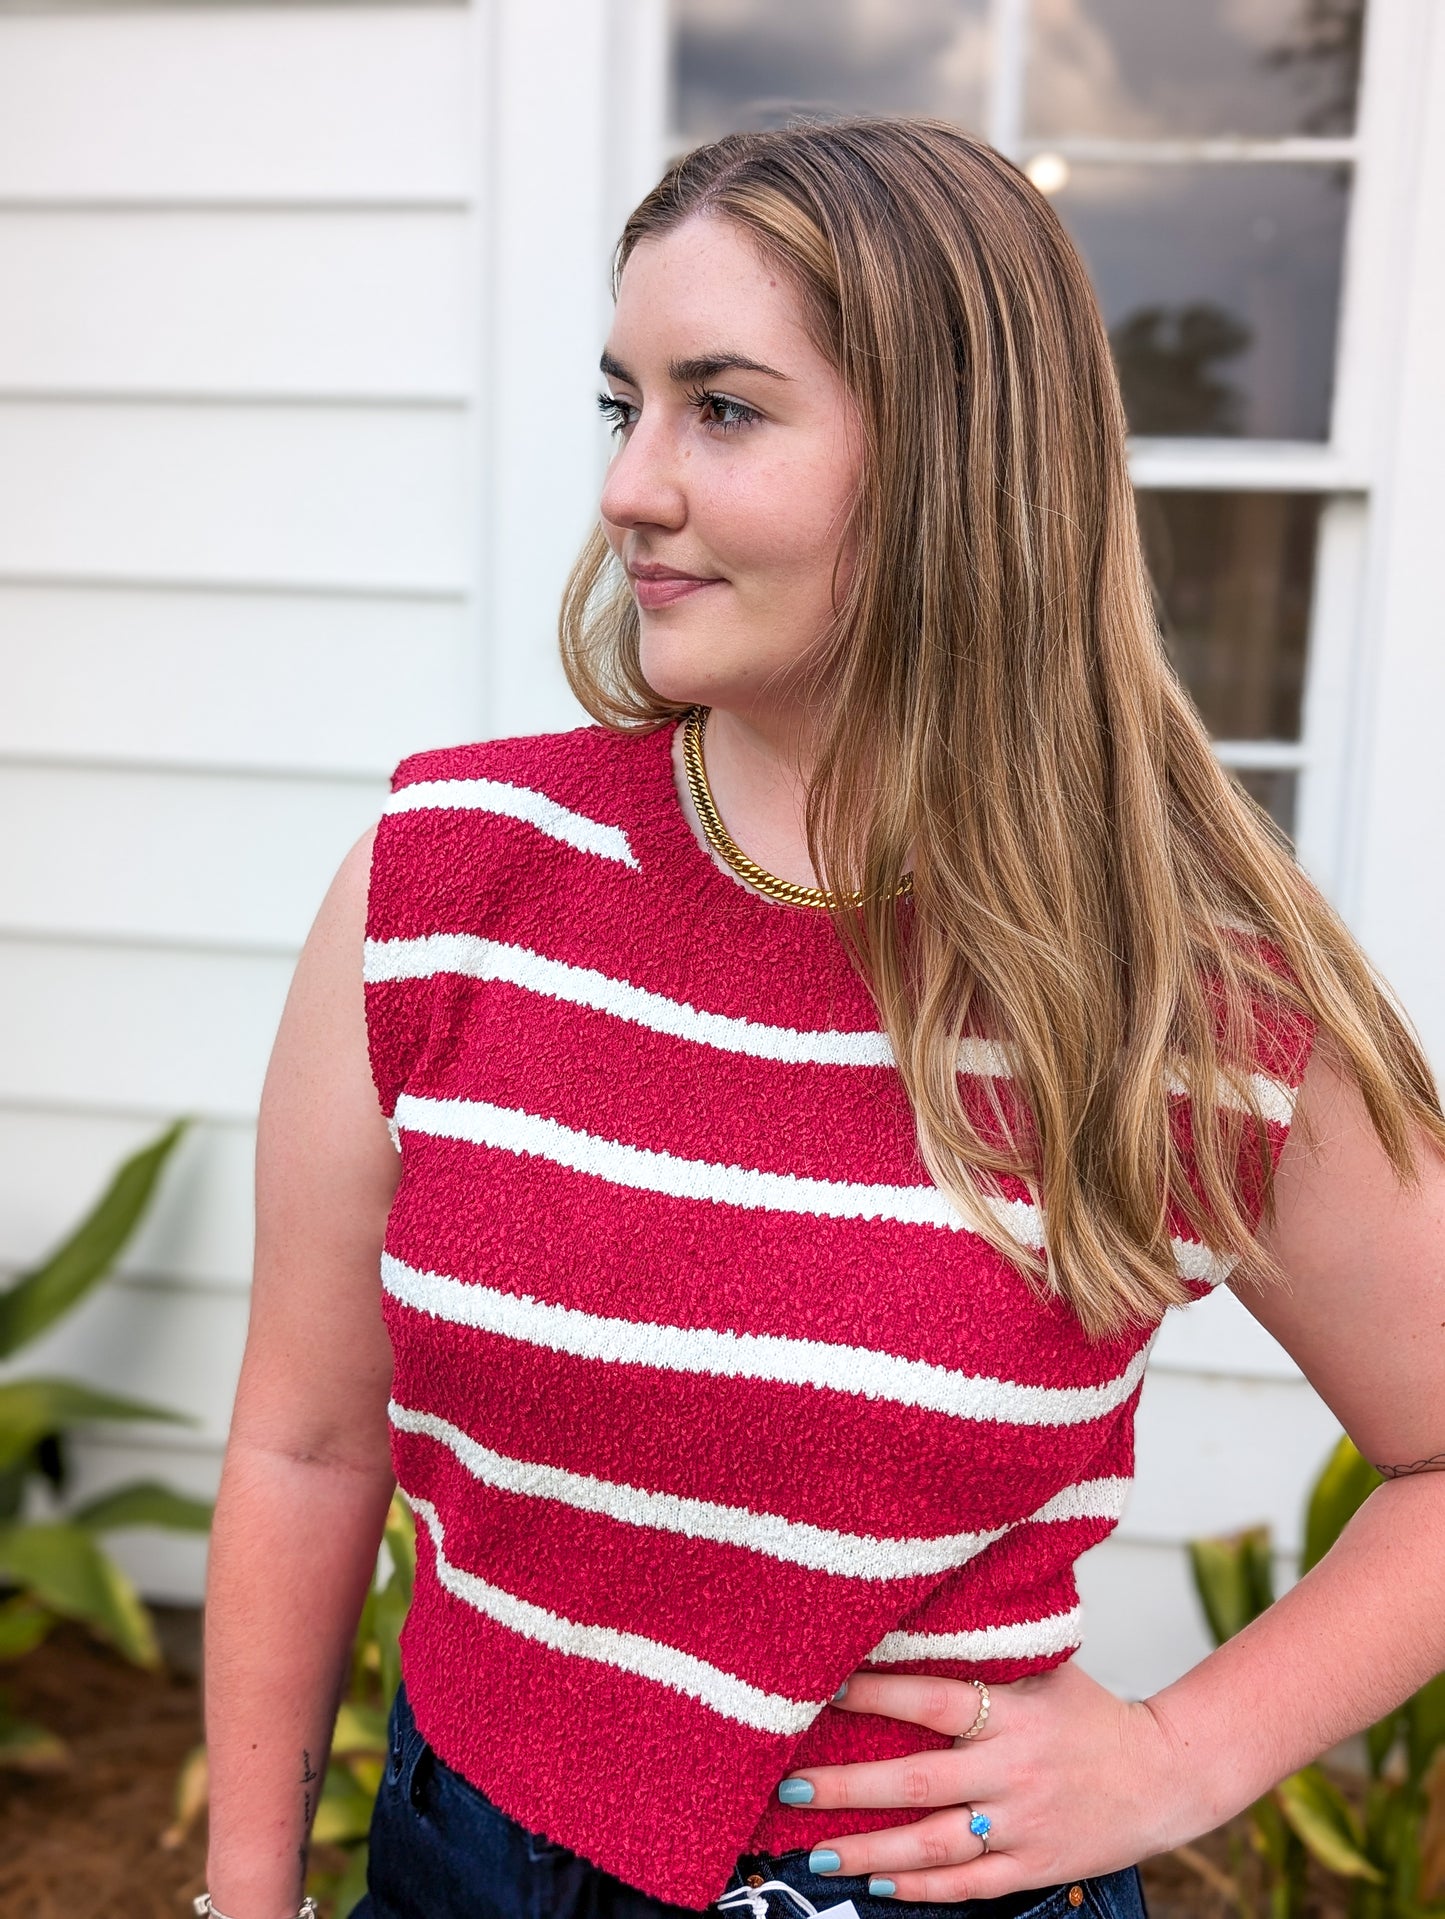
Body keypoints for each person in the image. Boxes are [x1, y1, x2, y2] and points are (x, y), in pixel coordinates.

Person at [197, 118, 1445, 1919]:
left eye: (723, 407)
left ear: (959, 466)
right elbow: (303, 1443)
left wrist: (1184, 1756)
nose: (630, 485)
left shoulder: (1175, 988)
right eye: (623, 404)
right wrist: (247, 1900)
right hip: (450, 1861)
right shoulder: (451, 868)